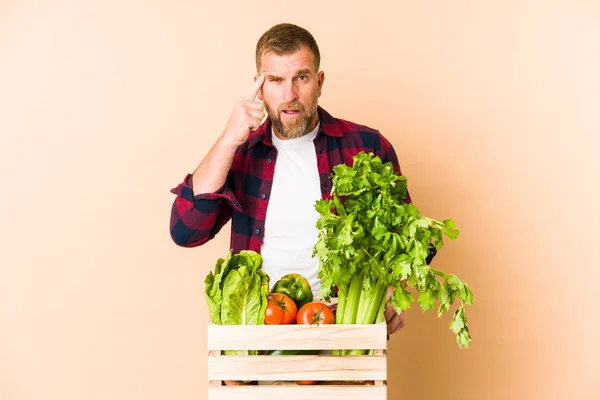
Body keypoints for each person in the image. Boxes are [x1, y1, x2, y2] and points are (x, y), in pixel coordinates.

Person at [169, 23, 410, 336]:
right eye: (275, 80)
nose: (289, 94)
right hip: (259, 331)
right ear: (258, 85)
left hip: (345, 331)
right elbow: (185, 231)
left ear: (319, 82)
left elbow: (410, 238)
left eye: (302, 77)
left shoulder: (368, 147)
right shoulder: (242, 152)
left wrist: (394, 291)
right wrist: (229, 139)